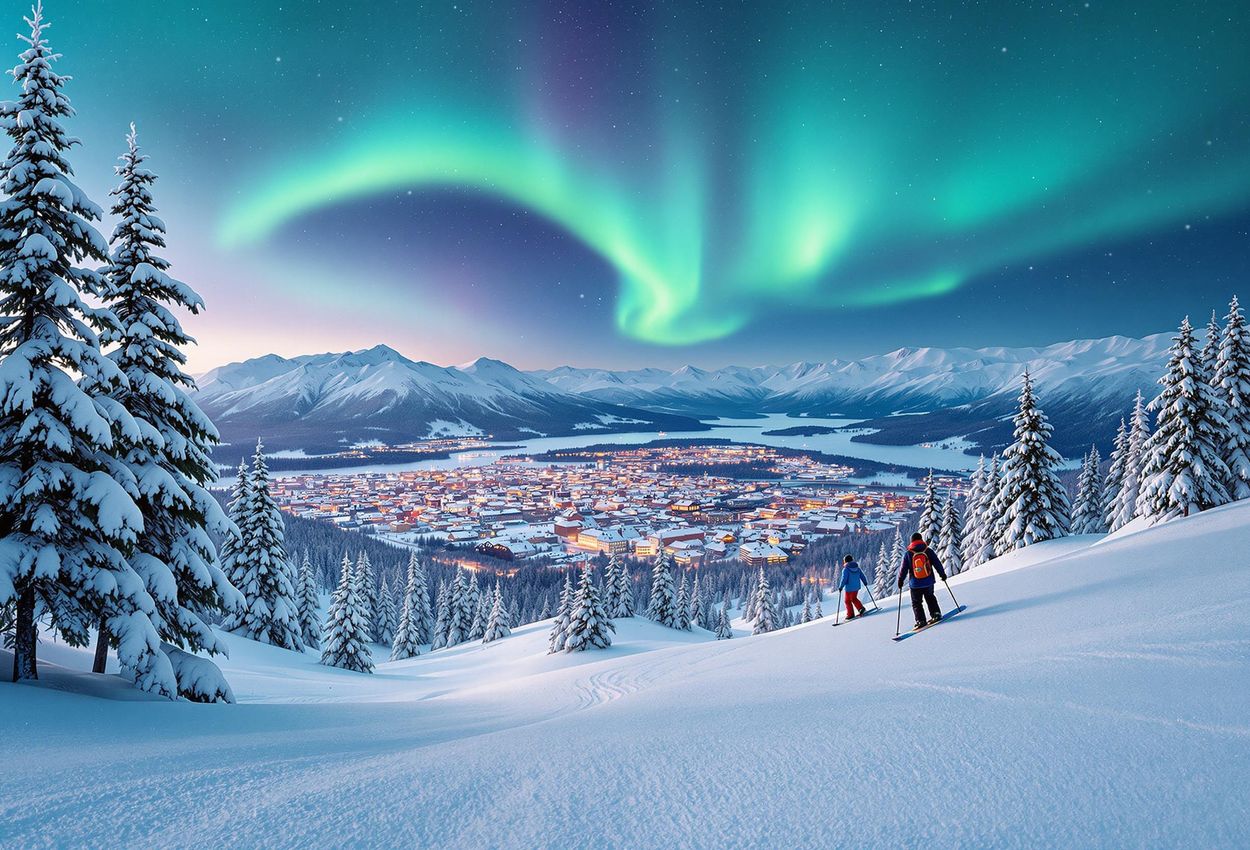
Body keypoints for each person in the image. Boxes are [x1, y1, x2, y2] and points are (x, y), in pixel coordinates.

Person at [897, 532, 948, 630]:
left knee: (916, 603)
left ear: (911, 542)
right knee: (930, 598)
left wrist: (900, 580)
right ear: (921, 540)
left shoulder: (908, 554)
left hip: (915, 584)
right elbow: (937, 563)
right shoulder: (928, 551)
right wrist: (942, 574)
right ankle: (936, 614)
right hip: (929, 581)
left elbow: (903, 569)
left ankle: (921, 621)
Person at [837, 554, 868, 619]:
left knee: (847, 601)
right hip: (856, 587)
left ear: (845, 561)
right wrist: (865, 582)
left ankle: (851, 614)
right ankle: (861, 608)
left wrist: (841, 587)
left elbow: (844, 579)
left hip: (849, 588)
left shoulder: (846, 569)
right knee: (854, 598)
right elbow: (862, 576)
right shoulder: (857, 568)